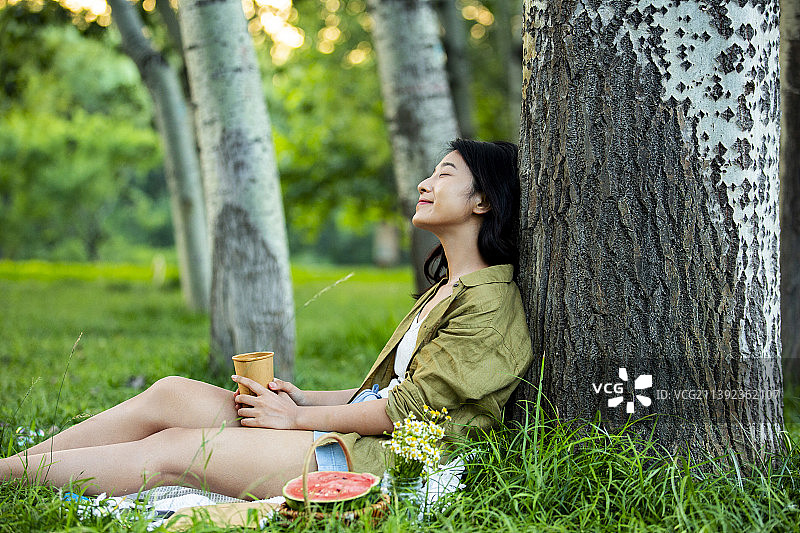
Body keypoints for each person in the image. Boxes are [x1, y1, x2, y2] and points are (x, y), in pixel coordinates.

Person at [1, 139, 534, 500]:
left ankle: (8, 478)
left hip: (377, 461)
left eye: (444, 174)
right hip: (352, 432)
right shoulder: (448, 289)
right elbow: (383, 394)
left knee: (174, 450)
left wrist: (296, 420)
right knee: (169, 395)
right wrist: (300, 400)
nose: (424, 182)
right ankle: (20, 465)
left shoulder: (490, 303)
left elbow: (408, 414)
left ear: (483, 200)